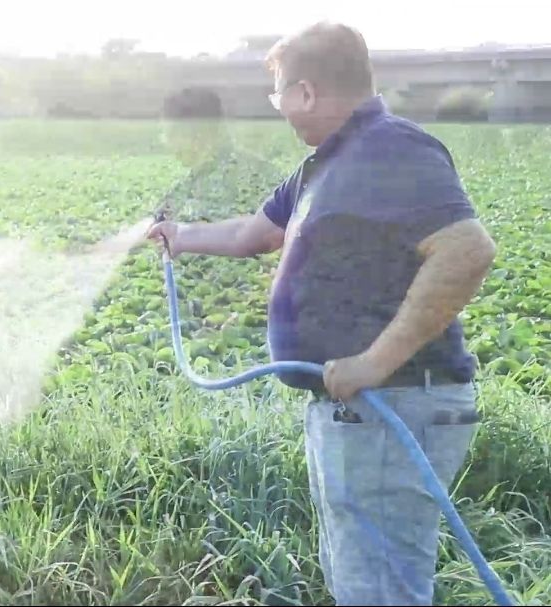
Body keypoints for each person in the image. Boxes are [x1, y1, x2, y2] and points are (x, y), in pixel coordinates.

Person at [147, 21, 498, 606]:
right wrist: (179, 235)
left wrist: (374, 362)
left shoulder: (391, 147)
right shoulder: (323, 166)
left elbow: (468, 249)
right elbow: (255, 233)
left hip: (394, 403)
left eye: (279, 93)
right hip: (356, 410)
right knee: (359, 581)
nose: (278, 108)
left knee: (380, 591)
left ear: (306, 92)